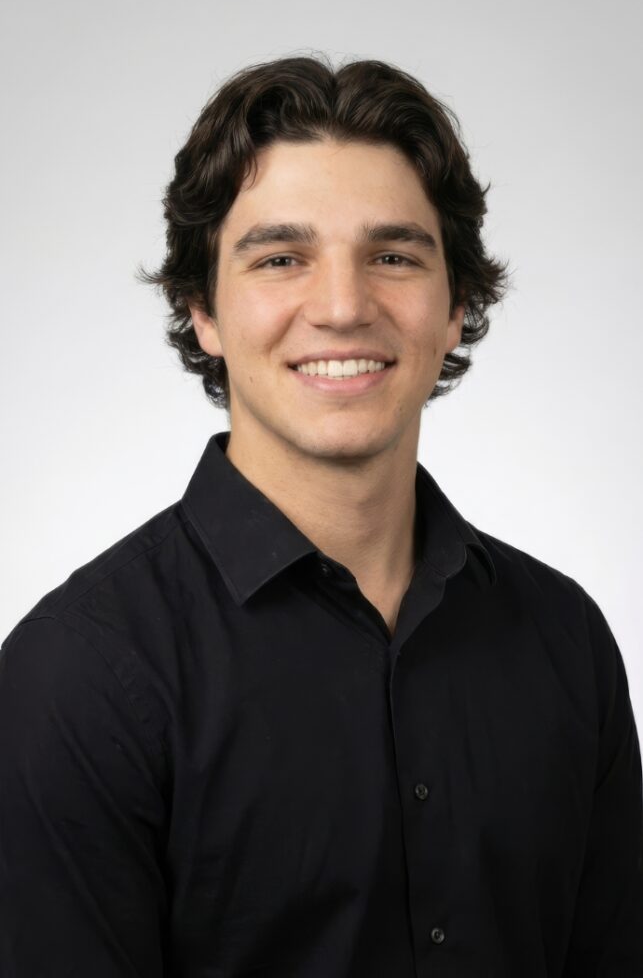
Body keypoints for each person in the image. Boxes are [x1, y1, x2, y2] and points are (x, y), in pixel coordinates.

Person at [1, 53, 641, 977]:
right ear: (202, 310)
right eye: (279, 259)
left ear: (456, 304)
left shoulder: (563, 638)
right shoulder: (81, 673)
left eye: (392, 256)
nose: (342, 307)